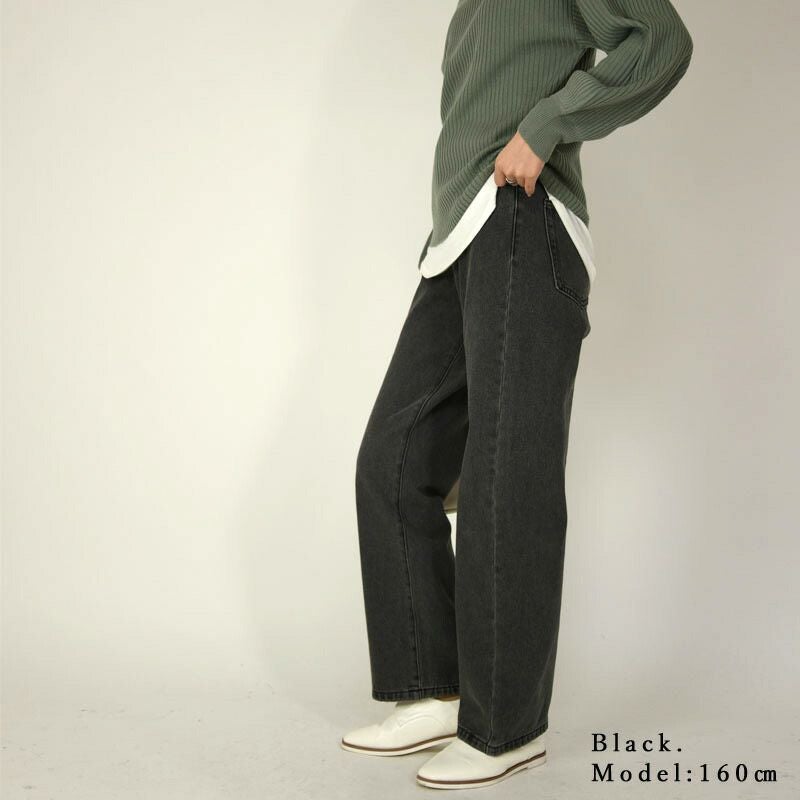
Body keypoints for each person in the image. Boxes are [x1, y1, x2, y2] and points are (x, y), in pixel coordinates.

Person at [342, 0, 693, 789]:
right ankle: (433, 692)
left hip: (523, 222)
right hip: (458, 240)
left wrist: (549, 123)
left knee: (507, 475)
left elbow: (662, 40)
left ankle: (505, 728)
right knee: (393, 461)